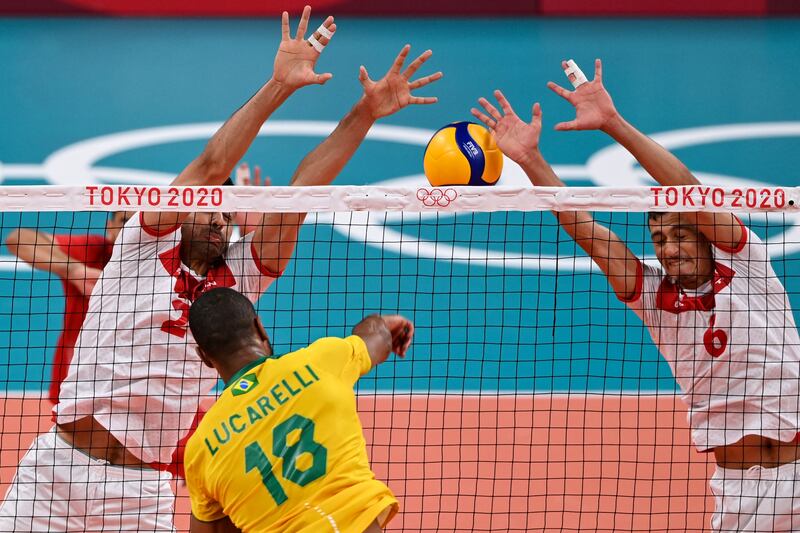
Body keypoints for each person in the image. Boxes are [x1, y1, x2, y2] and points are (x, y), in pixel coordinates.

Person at [0, 4, 441, 530]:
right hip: (56, 473)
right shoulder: (141, 244)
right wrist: (278, 86)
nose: (218, 214)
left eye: (228, 211)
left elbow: (301, 195)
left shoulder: (242, 278)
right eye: (209, 204)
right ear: (187, 205)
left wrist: (363, 114)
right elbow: (212, 165)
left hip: (142, 494)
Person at [470, 59, 800, 532]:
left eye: (680, 234)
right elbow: (588, 231)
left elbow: (687, 189)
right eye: (660, 239)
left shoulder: (747, 263)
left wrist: (613, 123)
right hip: (739, 491)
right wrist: (531, 162)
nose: (669, 247)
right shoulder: (654, 298)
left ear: (706, 235)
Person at [184, 287, 412, 533]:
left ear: (204, 357)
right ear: (259, 327)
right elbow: (375, 336)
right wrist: (384, 324)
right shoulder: (322, 361)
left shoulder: (201, 449)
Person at [5, 211, 130, 404]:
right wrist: (74, 270)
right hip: (78, 376)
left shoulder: (168, 260)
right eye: (125, 221)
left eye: (138, 221)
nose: (131, 228)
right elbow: (19, 239)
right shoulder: (94, 250)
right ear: (109, 227)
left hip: (136, 375)